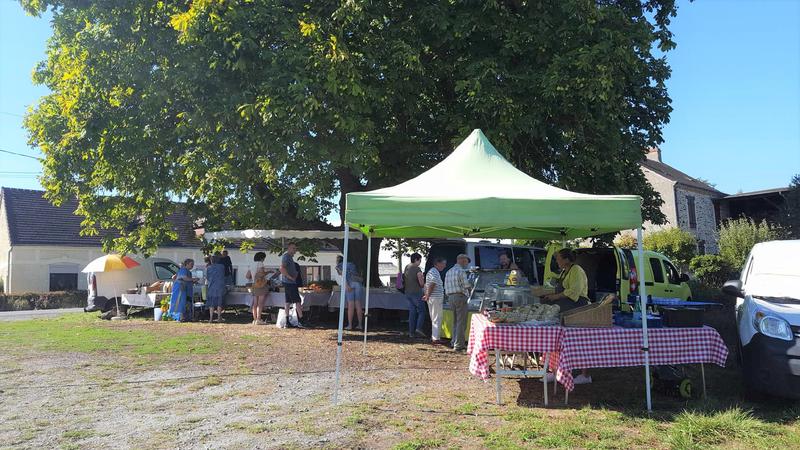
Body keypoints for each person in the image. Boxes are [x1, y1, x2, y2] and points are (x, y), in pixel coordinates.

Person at [541, 248, 592, 385]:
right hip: (566, 305)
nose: (557, 261)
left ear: (566, 259)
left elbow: (574, 292)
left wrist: (555, 297)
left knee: (580, 341)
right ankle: (554, 370)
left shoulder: (576, 270)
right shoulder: (565, 271)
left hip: (578, 306)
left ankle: (585, 375)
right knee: (555, 338)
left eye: (558, 259)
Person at [445, 254, 472, 352]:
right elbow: (466, 285)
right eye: (466, 262)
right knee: (461, 322)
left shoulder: (449, 271)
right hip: (460, 297)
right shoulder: (461, 271)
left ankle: (454, 341)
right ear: (463, 261)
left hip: (450, 297)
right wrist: (471, 289)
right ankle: (459, 345)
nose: (467, 264)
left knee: (455, 321)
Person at [280, 242, 305, 328]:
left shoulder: (289, 257)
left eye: (295, 248)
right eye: (293, 248)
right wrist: (289, 277)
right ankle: (301, 321)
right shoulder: (286, 256)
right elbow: (282, 268)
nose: (295, 250)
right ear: (289, 248)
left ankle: (287, 322)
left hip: (289, 282)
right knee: (297, 301)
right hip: (289, 283)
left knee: (288, 302)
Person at [336, 255, 365, 330]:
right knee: (358, 304)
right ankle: (360, 325)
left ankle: (350, 325)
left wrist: (346, 285)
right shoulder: (352, 264)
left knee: (351, 305)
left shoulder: (339, 265)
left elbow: (343, 276)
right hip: (358, 283)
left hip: (349, 283)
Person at [423, 257, 447, 344]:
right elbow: (432, 284)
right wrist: (427, 295)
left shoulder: (433, 271)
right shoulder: (434, 272)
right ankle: (436, 338)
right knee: (437, 318)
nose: (445, 265)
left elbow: (428, 284)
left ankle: (435, 337)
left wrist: (427, 295)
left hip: (434, 297)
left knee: (435, 317)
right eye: (444, 263)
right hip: (435, 298)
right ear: (438, 263)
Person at [403, 253, 427, 338]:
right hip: (416, 293)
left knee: (412, 312)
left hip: (407, 292)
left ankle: (411, 332)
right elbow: (421, 283)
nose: (420, 262)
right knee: (422, 311)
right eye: (420, 260)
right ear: (416, 260)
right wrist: (423, 281)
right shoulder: (417, 269)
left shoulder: (407, 267)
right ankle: (419, 328)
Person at [205, 255, 227, 323]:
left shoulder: (208, 268)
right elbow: (224, 275)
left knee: (211, 304)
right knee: (219, 303)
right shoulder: (222, 267)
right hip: (220, 286)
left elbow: (207, 278)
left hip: (211, 286)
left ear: (211, 260)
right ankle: (219, 318)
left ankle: (211, 318)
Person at [251, 252, 269, 325]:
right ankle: (259, 319)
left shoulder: (252, 264)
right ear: (262, 258)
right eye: (264, 258)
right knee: (260, 303)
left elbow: (247, 275)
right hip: (261, 284)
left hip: (254, 284)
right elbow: (262, 273)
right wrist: (268, 272)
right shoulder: (260, 263)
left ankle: (254, 319)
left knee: (255, 303)